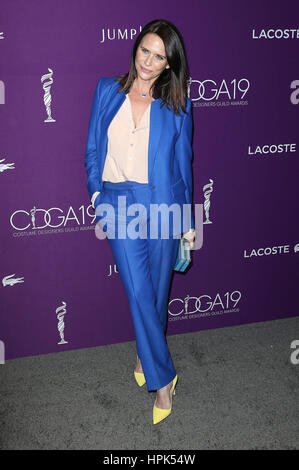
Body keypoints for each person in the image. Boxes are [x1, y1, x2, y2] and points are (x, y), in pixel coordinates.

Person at [84, 19, 196, 424]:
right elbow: (93, 149)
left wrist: (186, 221)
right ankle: (163, 381)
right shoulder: (106, 90)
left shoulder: (177, 102)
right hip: (118, 204)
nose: (148, 61)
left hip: (163, 206)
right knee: (136, 290)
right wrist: (97, 194)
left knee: (157, 293)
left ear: (169, 64)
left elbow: (184, 165)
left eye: (159, 56)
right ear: (135, 49)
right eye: (144, 51)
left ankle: (144, 353)